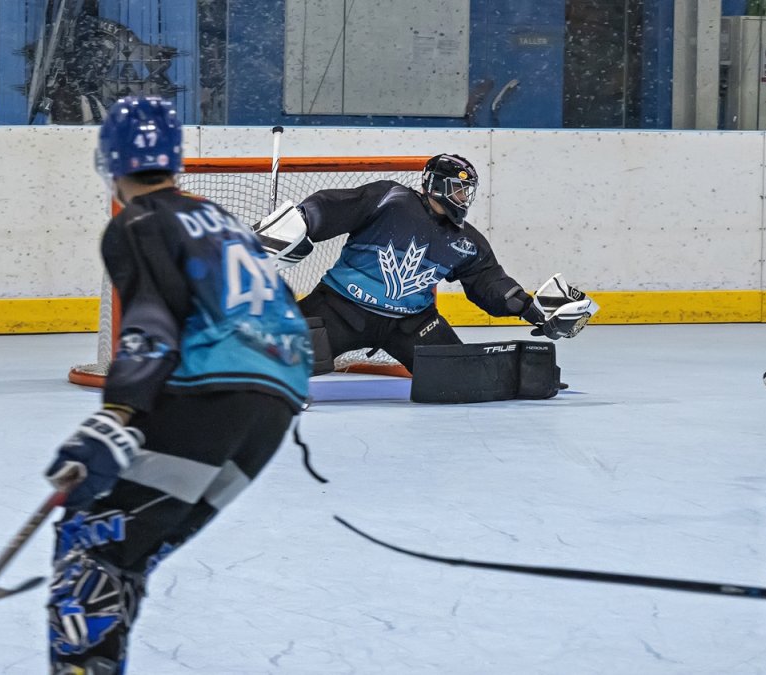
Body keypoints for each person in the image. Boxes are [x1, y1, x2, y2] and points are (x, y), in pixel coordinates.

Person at [43, 96, 311, 673]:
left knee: (90, 544)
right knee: (130, 553)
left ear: (109, 162)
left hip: (212, 395)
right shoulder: (224, 222)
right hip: (275, 410)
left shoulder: (136, 222)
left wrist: (115, 418)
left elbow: (151, 321)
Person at [254, 154, 594, 375]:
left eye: (468, 192)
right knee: (268, 364)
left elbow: (490, 283)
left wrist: (533, 312)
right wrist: (299, 221)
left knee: (461, 378)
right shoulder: (391, 199)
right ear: (437, 186)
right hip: (342, 309)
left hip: (412, 324)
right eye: (460, 190)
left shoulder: (467, 240)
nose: (465, 198)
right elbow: (334, 206)